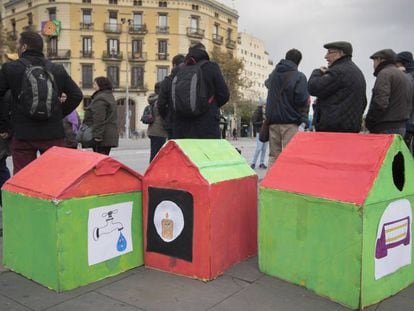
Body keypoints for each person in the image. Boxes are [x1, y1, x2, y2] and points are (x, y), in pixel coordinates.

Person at [0, 31, 83, 173]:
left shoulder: (11, 68)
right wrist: (56, 112)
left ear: (24, 47)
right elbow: (76, 95)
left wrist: (5, 125)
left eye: (18, 45)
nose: (17, 48)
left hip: (23, 134)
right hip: (53, 133)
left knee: (24, 178)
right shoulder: (56, 69)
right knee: (52, 177)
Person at [172, 42, 230, 139]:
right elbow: (224, 94)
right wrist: (211, 105)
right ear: (204, 52)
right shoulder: (211, 67)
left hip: (181, 126)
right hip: (207, 125)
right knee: (207, 153)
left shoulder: (179, 70)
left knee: (187, 154)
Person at [308, 41, 367, 133]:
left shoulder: (338, 71)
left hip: (333, 131)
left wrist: (317, 72)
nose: (326, 56)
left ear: (341, 53)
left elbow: (313, 88)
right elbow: (364, 102)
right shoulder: (357, 72)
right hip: (351, 129)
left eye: (330, 52)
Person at [265, 49, 309, 166]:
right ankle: (286, 183)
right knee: (291, 157)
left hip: (273, 122)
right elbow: (301, 99)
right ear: (298, 62)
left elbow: (267, 84)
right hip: (290, 123)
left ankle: (271, 183)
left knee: (273, 157)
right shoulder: (299, 76)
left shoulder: (274, 75)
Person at [365, 49, 413, 136]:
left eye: (374, 61)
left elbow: (380, 103)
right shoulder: (405, 76)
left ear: (380, 60)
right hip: (401, 127)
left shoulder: (385, 74)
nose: (373, 65)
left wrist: (369, 121)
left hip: (385, 128)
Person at [82, 76, 119, 155]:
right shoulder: (109, 96)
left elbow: (99, 118)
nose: (93, 86)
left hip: (102, 137)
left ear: (101, 85)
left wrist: (97, 136)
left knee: (100, 161)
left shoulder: (100, 98)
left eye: (95, 84)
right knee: (103, 160)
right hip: (108, 134)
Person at [158, 54, 185, 139]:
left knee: (174, 148)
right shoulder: (189, 78)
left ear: (174, 65)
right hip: (187, 122)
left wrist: (166, 116)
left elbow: (161, 104)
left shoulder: (167, 81)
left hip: (172, 121)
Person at [147, 83, 168, 162]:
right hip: (159, 130)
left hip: (152, 129)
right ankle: (152, 172)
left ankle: (152, 170)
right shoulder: (160, 100)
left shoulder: (152, 99)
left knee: (154, 153)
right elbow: (162, 113)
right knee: (157, 154)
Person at [250, 103, 268, 169]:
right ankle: (253, 163)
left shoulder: (267, 112)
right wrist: (262, 122)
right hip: (259, 132)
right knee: (259, 148)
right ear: (262, 105)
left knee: (264, 149)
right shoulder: (257, 112)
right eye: (265, 105)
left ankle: (261, 163)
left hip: (266, 132)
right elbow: (254, 122)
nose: (265, 106)